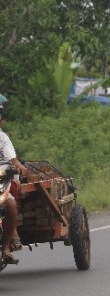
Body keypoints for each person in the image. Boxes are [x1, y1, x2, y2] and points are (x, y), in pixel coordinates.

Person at [0, 93, 28, 265]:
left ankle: (5, 247)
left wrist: (19, 166)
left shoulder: (2, 138)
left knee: (10, 203)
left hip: (1, 181)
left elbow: (13, 160)